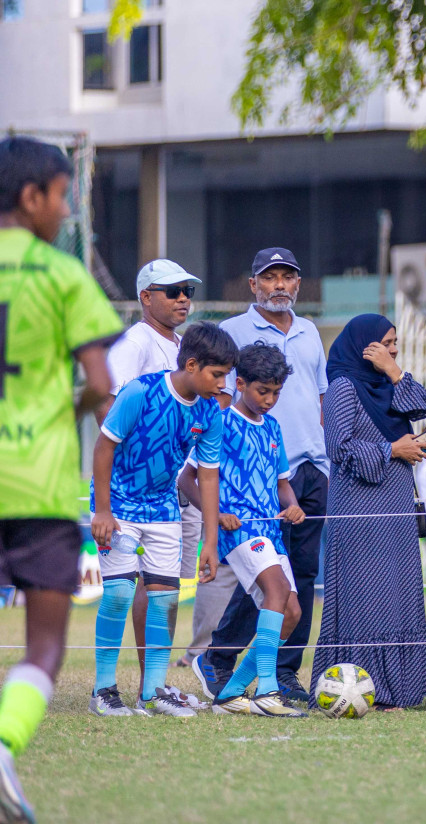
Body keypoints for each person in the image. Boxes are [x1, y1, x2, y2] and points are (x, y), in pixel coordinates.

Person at [0, 136, 119, 823]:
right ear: (31, 197)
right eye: (62, 195)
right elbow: (101, 386)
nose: (67, 208)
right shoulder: (62, 274)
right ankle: (6, 742)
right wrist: (59, 407)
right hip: (39, 487)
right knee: (44, 646)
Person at [197, 248, 330, 705]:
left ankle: (283, 673)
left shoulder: (311, 332)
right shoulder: (232, 333)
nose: (279, 285)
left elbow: (319, 399)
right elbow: (209, 393)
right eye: (269, 277)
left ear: (298, 284)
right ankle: (223, 660)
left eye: (287, 277)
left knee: (301, 583)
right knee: (269, 585)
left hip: (306, 470)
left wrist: (304, 478)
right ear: (253, 284)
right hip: (248, 498)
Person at [90, 321, 234, 717]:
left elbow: (207, 476)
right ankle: (103, 691)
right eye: (217, 374)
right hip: (117, 505)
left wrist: (210, 542)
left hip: (163, 510)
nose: (224, 383)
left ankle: (151, 693)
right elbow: (104, 447)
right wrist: (102, 510)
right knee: (119, 593)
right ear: (191, 364)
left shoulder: (210, 411)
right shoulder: (141, 391)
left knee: (165, 599)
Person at [313, 314, 426, 709]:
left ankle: (401, 689)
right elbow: (340, 447)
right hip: (359, 507)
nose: (393, 348)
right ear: (364, 345)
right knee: (365, 598)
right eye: (386, 342)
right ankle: (363, 686)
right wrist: (391, 450)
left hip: (396, 504)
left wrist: (395, 371)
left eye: (395, 342)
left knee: (398, 595)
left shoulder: (388, 384)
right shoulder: (343, 389)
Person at [102, 259, 205, 709]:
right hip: (132, 494)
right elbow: (111, 408)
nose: (183, 298)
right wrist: (131, 472)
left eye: (187, 291)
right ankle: (124, 685)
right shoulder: (134, 343)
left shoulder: (184, 346)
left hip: (174, 490)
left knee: (167, 589)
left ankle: (155, 687)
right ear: (146, 297)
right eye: (172, 290)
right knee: (130, 587)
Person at [202, 342, 307, 718]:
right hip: (240, 530)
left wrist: (292, 506)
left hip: (270, 531)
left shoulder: (274, 428)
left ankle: (230, 692)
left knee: (291, 613)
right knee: (277, 591)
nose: (270, 400)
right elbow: (189, 479)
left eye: (276, 393)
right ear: (240, 383)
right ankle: (267, 690)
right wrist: (217, 514)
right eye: (263, 391)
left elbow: (282, 484)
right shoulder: (222, 421)